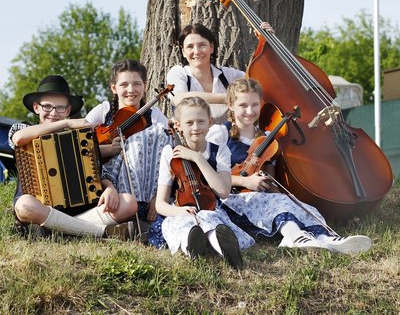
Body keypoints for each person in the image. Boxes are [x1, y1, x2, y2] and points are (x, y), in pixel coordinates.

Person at [207, 78, 372, 254]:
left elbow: (270, 178)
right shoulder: (220, 134)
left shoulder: (268, 137)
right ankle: (293, 236)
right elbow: (207, 176)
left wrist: (284, 196)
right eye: (243, 105)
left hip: (261, 197)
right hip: (231, 201)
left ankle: (326, 238)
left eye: (254, 105)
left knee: (300, 205)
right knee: (276, 203)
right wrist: (244, 182)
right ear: (231, 105)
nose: (250, 111)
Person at [9, 75, 138, 240]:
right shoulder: (23, 128)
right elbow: (18, 139)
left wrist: (110, 188)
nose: (53, 113)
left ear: (68, 110)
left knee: (128, 202)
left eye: (60, 108)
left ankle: (59, 229)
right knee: (24, 205)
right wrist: (66, 123)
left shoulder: (80, 137)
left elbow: (98, 168)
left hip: (79, 210)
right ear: (36, 108)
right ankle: (101, 232)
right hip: (40, 207)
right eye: (47, 107)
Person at [155, 97, 255, 269]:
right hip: (180, 211)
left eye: (201, 121)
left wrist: (197, 158)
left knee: (209, 220)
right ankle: (193, 249)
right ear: (178, 125)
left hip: (210, 209)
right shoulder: (169, 152)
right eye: (189, 122)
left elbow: (223, 191)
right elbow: (160, 204)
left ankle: (227, 251)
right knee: (186, 225)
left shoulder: (219, 149)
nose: (195, 127)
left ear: (210, 122)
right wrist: (178, 211)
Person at [85, 59, 171, 245]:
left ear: (145, 86)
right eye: (124, 84)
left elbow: (168, 154)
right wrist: (106, 149)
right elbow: (79, 143)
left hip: (141, 184)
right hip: (102, 179)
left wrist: (159, 196)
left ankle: (137, 216)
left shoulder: (155, 116)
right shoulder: (104, 110)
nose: (130, 90)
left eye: (137, 84)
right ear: (114, 88)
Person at [166, 23, 273, 125]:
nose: (197, 51)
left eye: (202, 45)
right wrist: (227, 98)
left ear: (211, 47)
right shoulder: (178, 73)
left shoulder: (228, 75)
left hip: (229, 142)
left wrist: (267, 44)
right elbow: (179, 99)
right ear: (183, 51)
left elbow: (264, 82)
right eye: (190, 47)